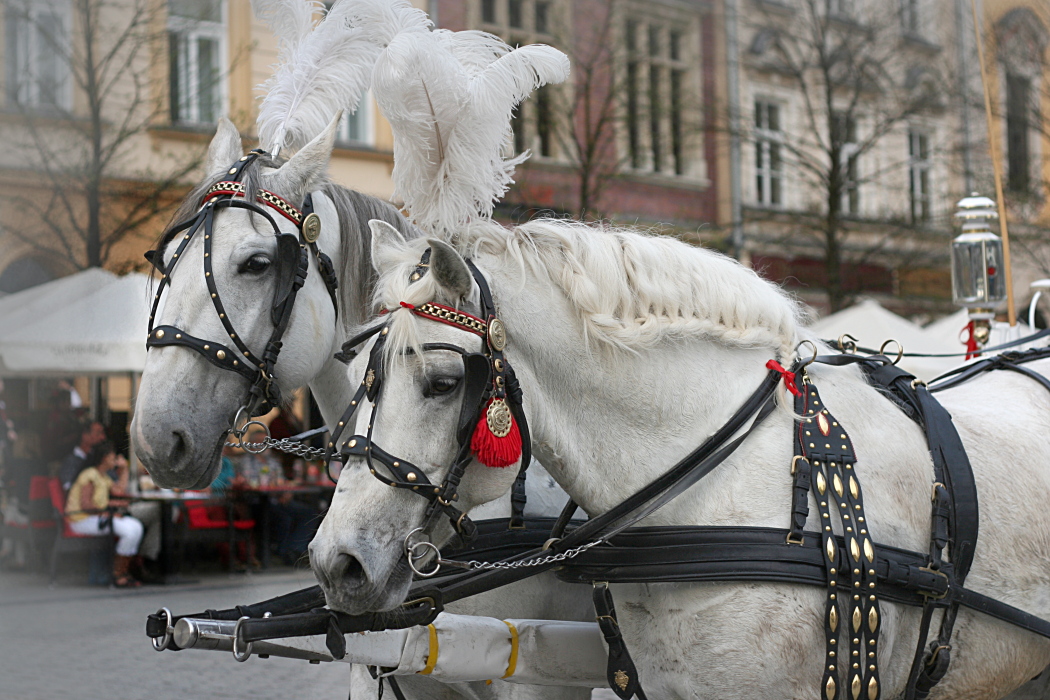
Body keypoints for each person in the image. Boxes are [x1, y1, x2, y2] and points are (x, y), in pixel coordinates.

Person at [65, 441, 143, 587]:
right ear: (104, 457)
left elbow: (119, 490)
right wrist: (109, 513)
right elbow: (86, 505)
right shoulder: (89, 474)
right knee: (129, 531)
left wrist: (124, 469)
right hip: (81, 520)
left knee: (136, 526)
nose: (115, 458)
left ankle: (121, 571)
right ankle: (118, 574)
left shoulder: (103, 476)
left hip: (96, 517)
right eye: (112, 455)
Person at [59, 421, 106, 492]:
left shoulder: (97, 458)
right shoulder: (71, 461)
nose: (103, 437)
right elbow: (67, 487)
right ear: (85, 435)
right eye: (98, 433)